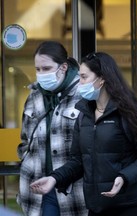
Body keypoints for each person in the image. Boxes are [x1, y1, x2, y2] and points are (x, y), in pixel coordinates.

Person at [30, 52, 137, 216]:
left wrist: (124, 177)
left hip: (131, 205)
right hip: (97, 207)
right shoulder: (84, 114)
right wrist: (54, 178)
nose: (79, 83)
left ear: (102, 79)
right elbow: (78, 161)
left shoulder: (133, 112)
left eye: (84, 77)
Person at [17, 41, 87, 216]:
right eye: (38, 69)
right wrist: (26, 159)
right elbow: (25, 138)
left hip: (74, 188)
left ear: (63, 67)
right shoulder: (34, 96)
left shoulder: (84, 94)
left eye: (46, 68)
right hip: (38, 187)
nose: (41, 74)